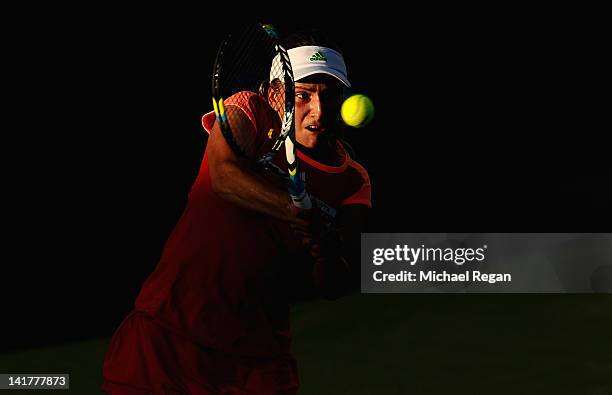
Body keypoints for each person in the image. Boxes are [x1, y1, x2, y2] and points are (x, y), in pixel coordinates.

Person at [101, 27, 371, 394]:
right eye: (303, 95)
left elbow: (336, 284)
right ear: (276, 92)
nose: (318, 111)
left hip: (258, 361)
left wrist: (326, 249)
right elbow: (223, 176)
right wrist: (292, 209)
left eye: (330, 95)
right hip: (169, 334)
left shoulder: (352, 179)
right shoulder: (250, 110)